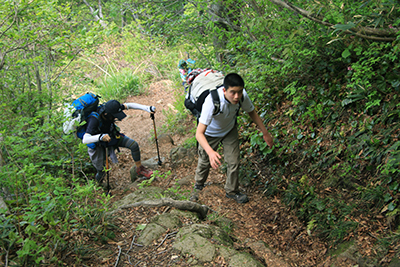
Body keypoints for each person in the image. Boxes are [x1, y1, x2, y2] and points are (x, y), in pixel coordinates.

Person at [193, 73, 274, 203]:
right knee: (204, 161)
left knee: (234, 161)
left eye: (239, 92)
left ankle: (232, 191)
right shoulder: (211, 100)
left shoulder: (243, 96)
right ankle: (198, 184)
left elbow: (252, 112)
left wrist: (265, 132)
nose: (236, 96)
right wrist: (210, 152)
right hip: (210, 133)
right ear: (224, 90)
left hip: (229, 130)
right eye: (233, 93)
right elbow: (199, 133)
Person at [82, 99, 156, 183]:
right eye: (114, 116)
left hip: (111, 137)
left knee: (133, 145)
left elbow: (128, 105)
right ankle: (99, 186)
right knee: (101, 171)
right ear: (106, 114)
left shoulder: (112, 108)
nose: (116, 117)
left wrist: (147, 108)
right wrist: (101, 137)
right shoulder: (94, 119)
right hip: (97, 145)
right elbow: (85, 139)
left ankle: (139, 169)